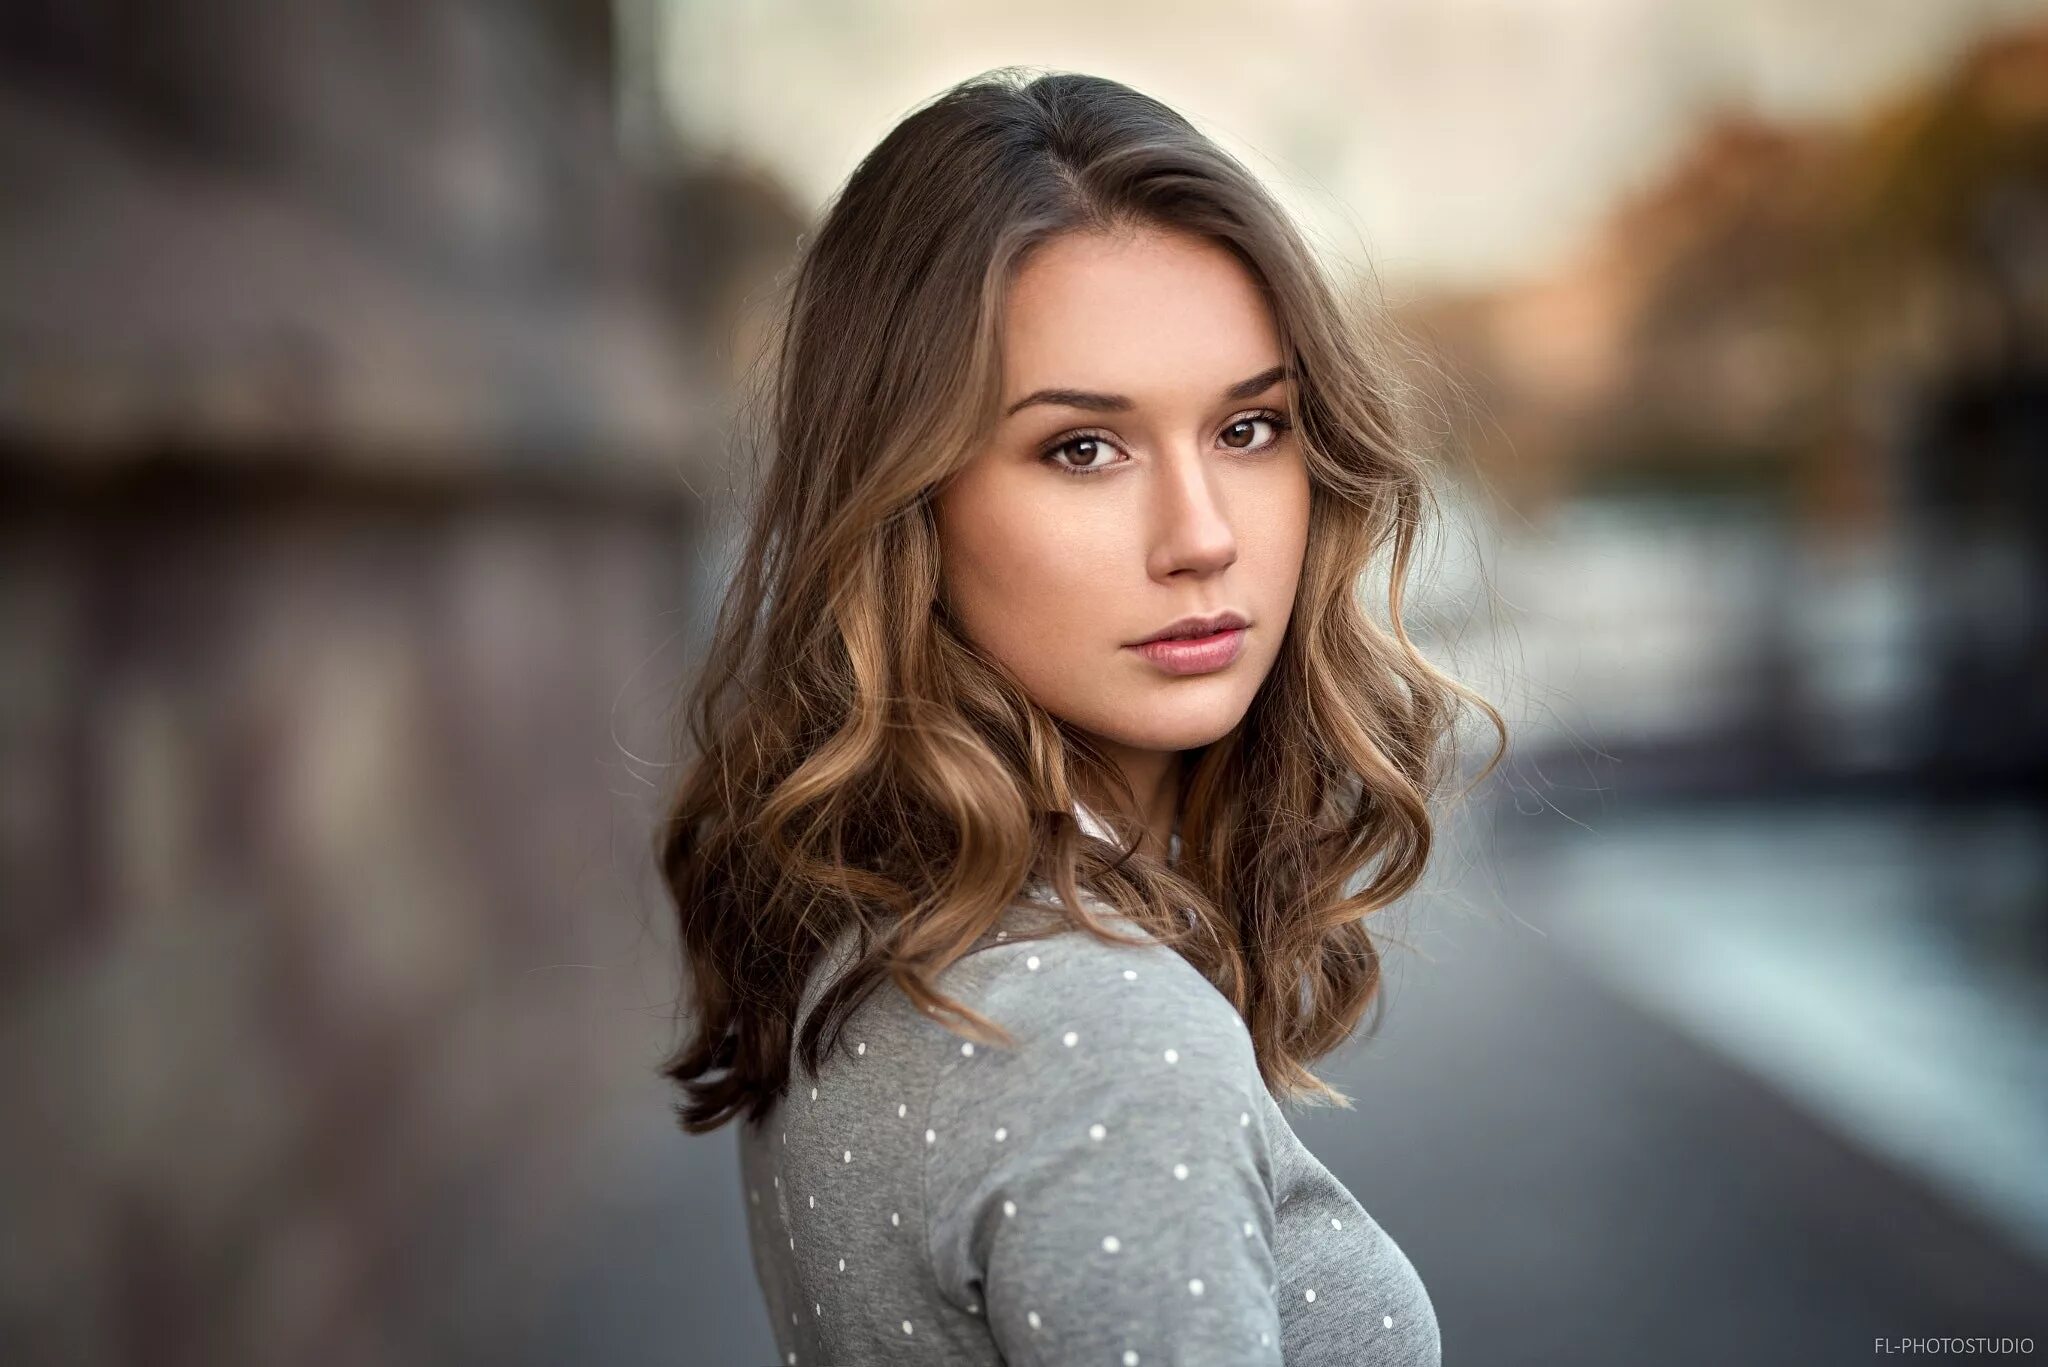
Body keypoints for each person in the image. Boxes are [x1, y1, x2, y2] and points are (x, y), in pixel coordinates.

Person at [656, 66, 1504, 1366]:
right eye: (1082, 449)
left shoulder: (879, 936)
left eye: (1251, 426)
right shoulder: (1100, 1036)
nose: (1203, 537)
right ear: (906, 500)